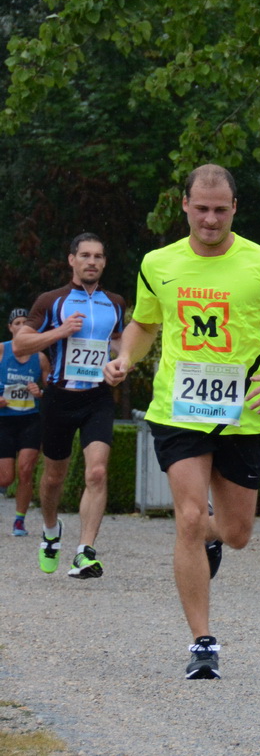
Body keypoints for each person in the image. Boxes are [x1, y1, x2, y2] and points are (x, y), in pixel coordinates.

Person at [103, 165, 260, 679]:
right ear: (185, 205)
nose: (211, 219)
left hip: (245, 413)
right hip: (179, 409)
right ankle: (203, 643)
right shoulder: (158, 263)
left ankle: (214, 537)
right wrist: (125, 357)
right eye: (201, 208)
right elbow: (144, 323)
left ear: (235, 208)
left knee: (237, 533)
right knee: (189, 517)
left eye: (221, 209)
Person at [14, 234, 127, 577]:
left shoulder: (115, 303)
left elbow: (120, 342)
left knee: (97, 472)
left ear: (104, 262)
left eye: (98, 256)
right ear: (72, 260)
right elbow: (21, 345)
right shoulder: (52, 301)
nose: (92, 262)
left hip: (97, 397)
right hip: (59, 398)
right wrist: (59, 332)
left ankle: (84, 552)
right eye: (85, 255)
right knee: (53, 478)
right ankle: (51, 532)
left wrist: (122, 364)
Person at [1, 309, 46, 536]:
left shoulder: (40, 357)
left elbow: (53, 391)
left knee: (26, 470)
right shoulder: (2, 350)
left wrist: (40, 393)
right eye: (16, 323)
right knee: (6, 477)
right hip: (3, 420)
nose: (20, 327)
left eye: (24, 323)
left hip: (30, 419)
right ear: (10, 328)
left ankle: (19, 521)